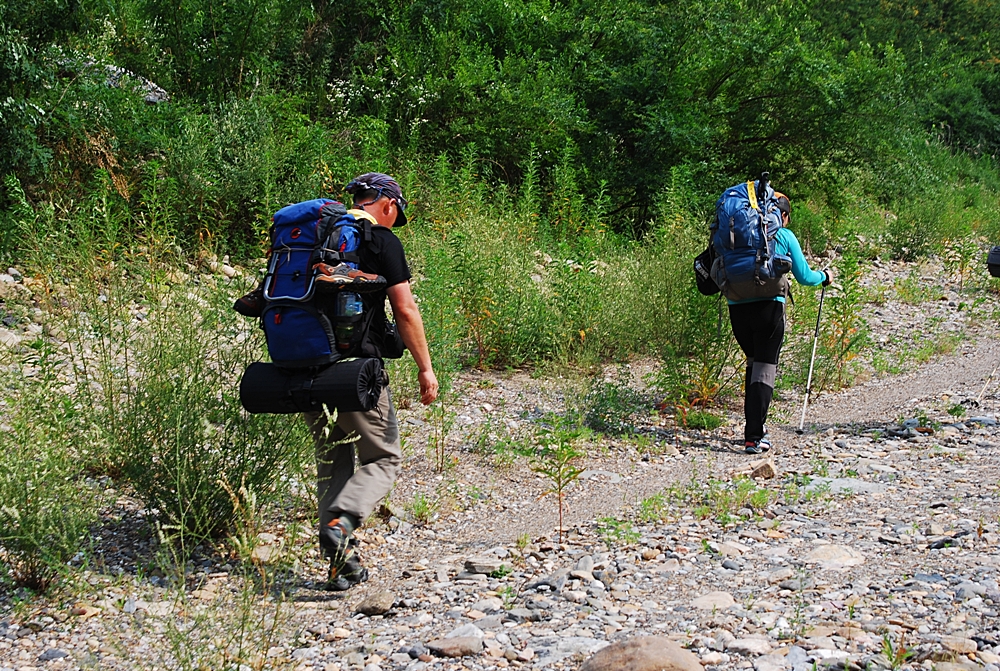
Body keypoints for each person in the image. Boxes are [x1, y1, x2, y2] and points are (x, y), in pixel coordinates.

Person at [307, 172, 439, 590]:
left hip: (306, 368)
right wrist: (425, 367)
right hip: (356, 372)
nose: (394, 220)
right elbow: (404, 310)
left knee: (334, 462)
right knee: (383, 459)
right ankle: (343, 525)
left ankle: (338, 566)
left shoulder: (313, 237)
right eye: (395, 213)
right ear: (386, 203)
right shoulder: (380, 240)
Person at [727, 192, 831, 455]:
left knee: (754, 365)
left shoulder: (737, 235)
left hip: (737, 309)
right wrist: (825, 276)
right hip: (769, 309)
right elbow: (805, 276)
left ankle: (755, 430)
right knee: (764, 369)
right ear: (782, 215)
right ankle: (753, 437)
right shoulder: (783, 235)